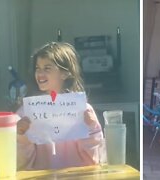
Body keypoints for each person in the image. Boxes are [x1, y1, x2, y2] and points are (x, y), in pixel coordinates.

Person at [17, 42, 103, 170]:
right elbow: (21, 164)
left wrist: (91, 128)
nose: (40, 73)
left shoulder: (83, 110)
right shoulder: (26, 112)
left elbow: (94, 160)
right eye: (37, 68)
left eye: (47, 68)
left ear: (65, 73)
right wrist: (21, 135)